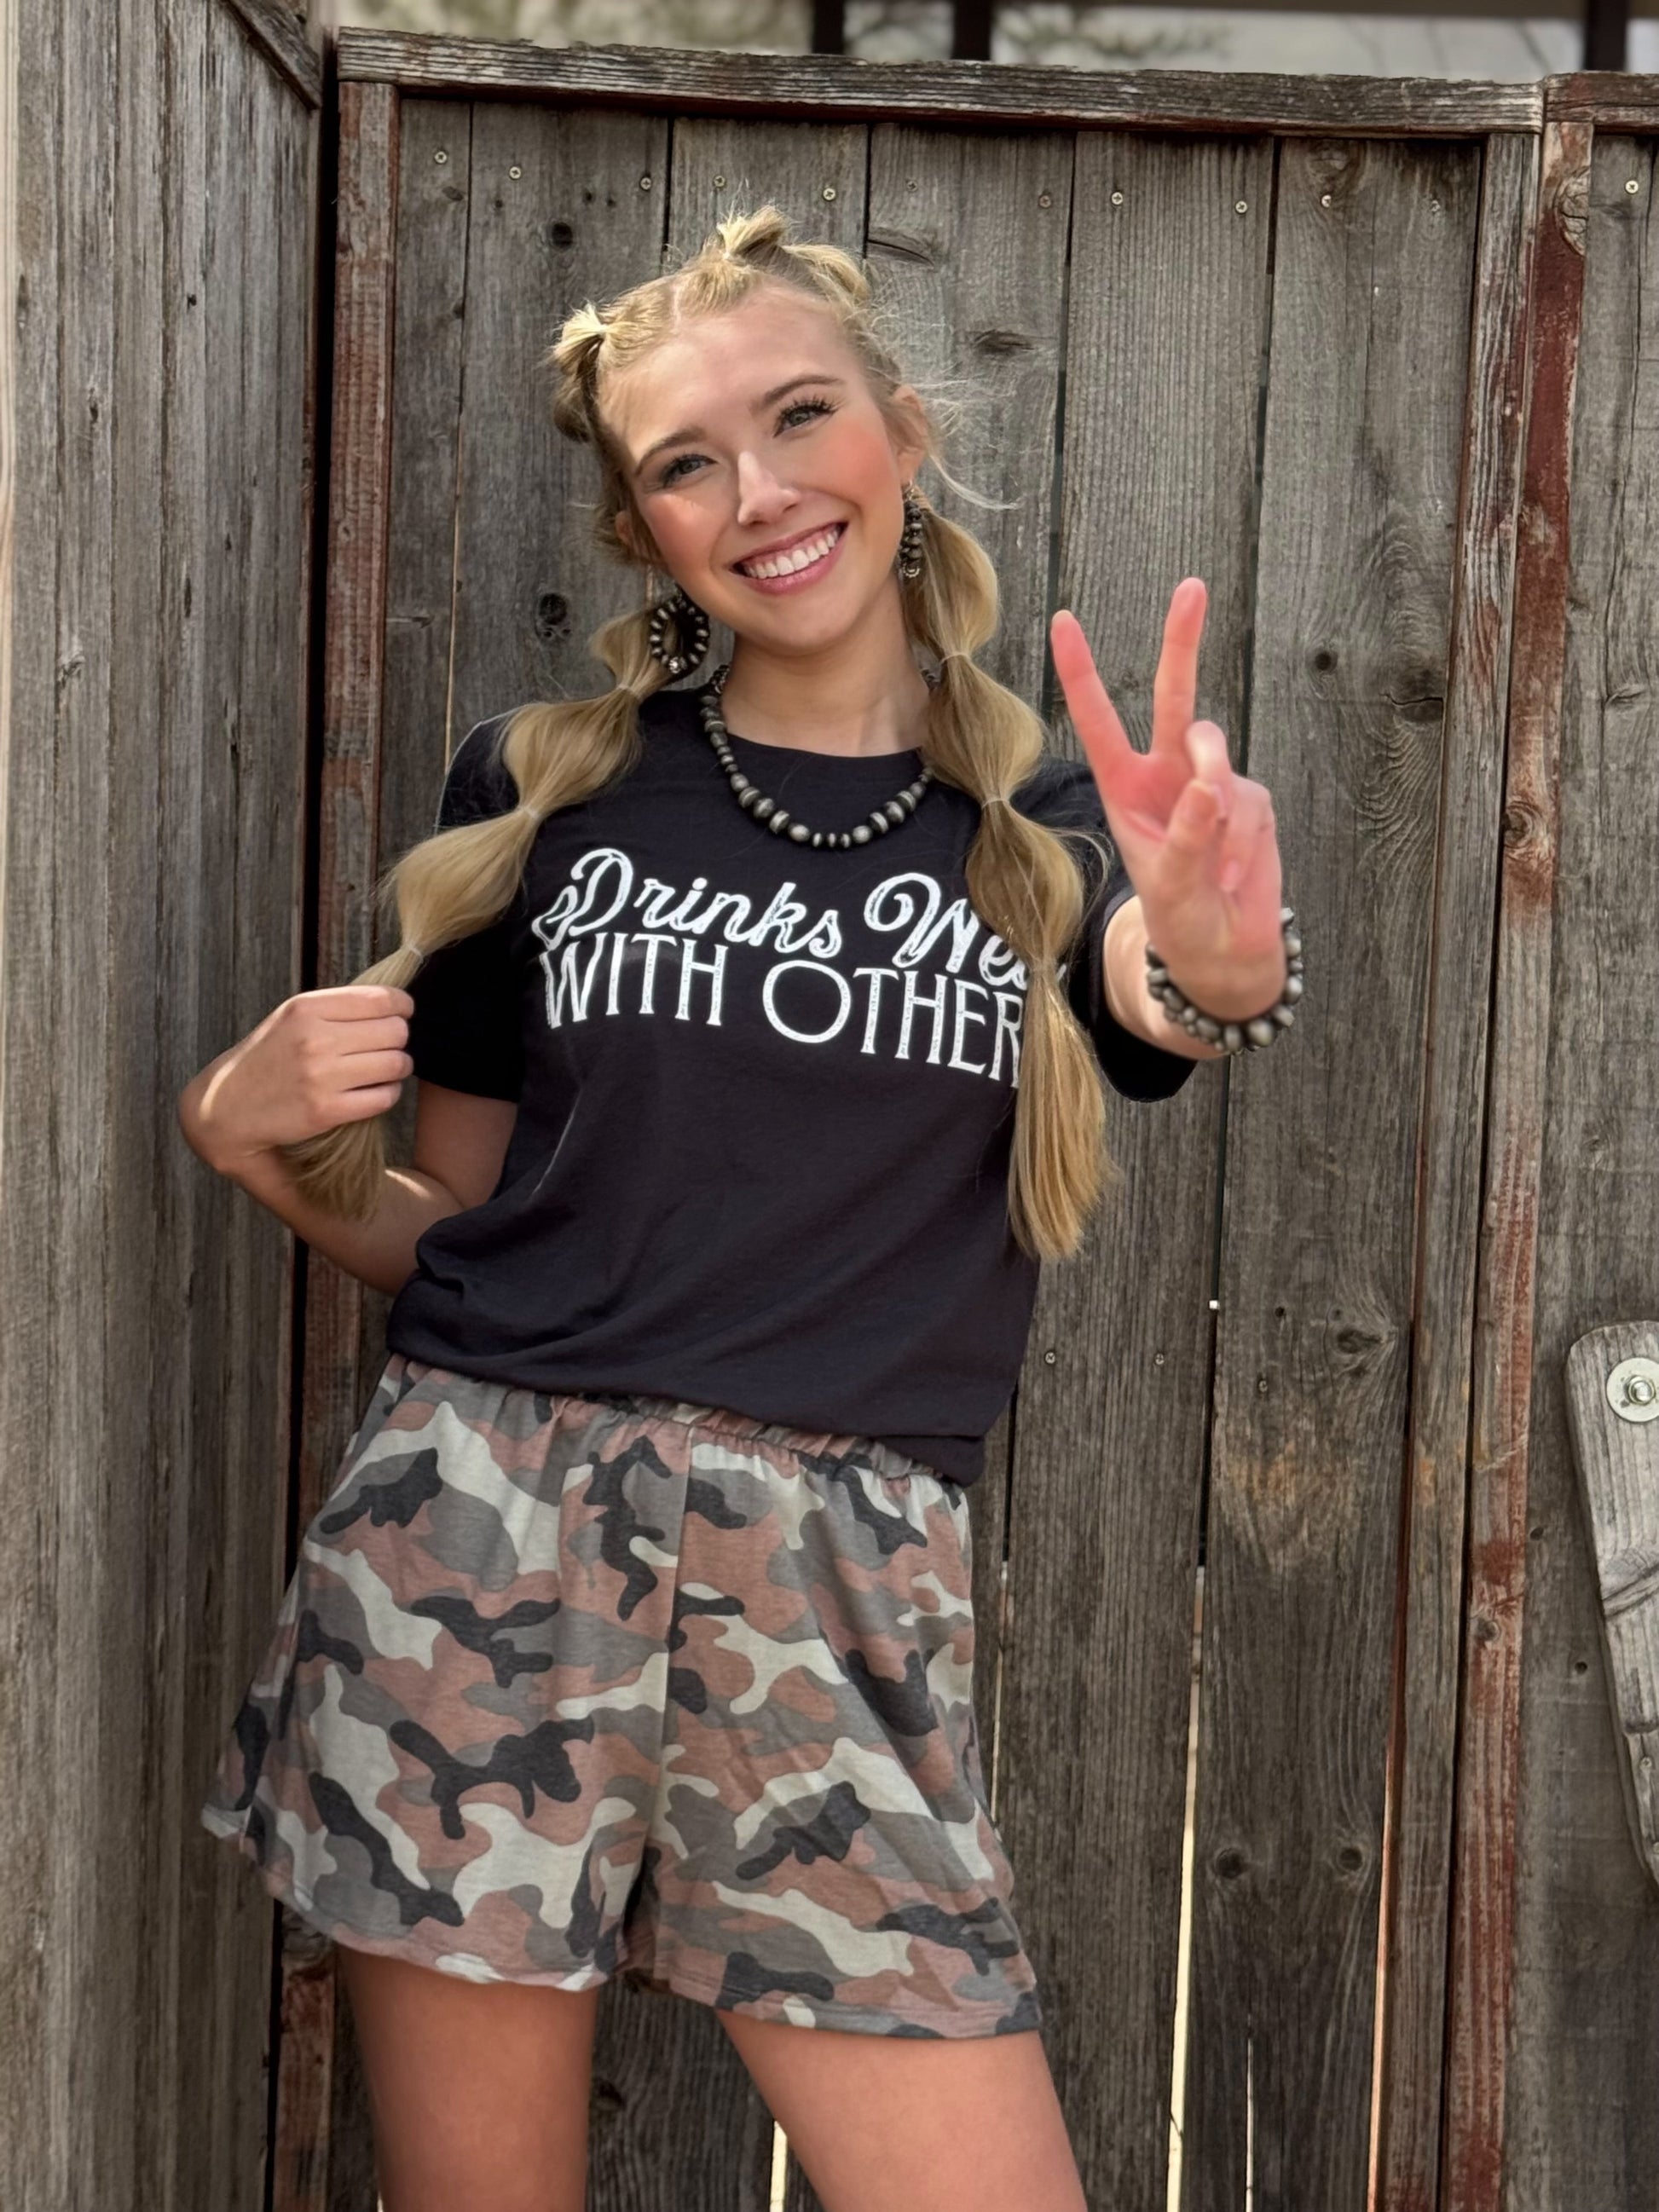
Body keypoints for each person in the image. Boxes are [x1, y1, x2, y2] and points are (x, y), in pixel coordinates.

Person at [180, 205, 1294, 2212]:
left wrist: (1211, 959)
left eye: (798, 418)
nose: (760, 493)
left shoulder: (1047, 830)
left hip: (840, 1589)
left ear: (902, 433)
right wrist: (255, 1141)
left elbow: (1159, 990)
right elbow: (461, 1223)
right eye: (688, 462)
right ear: (644, 529)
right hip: (480, 1553)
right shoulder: (542, 788)